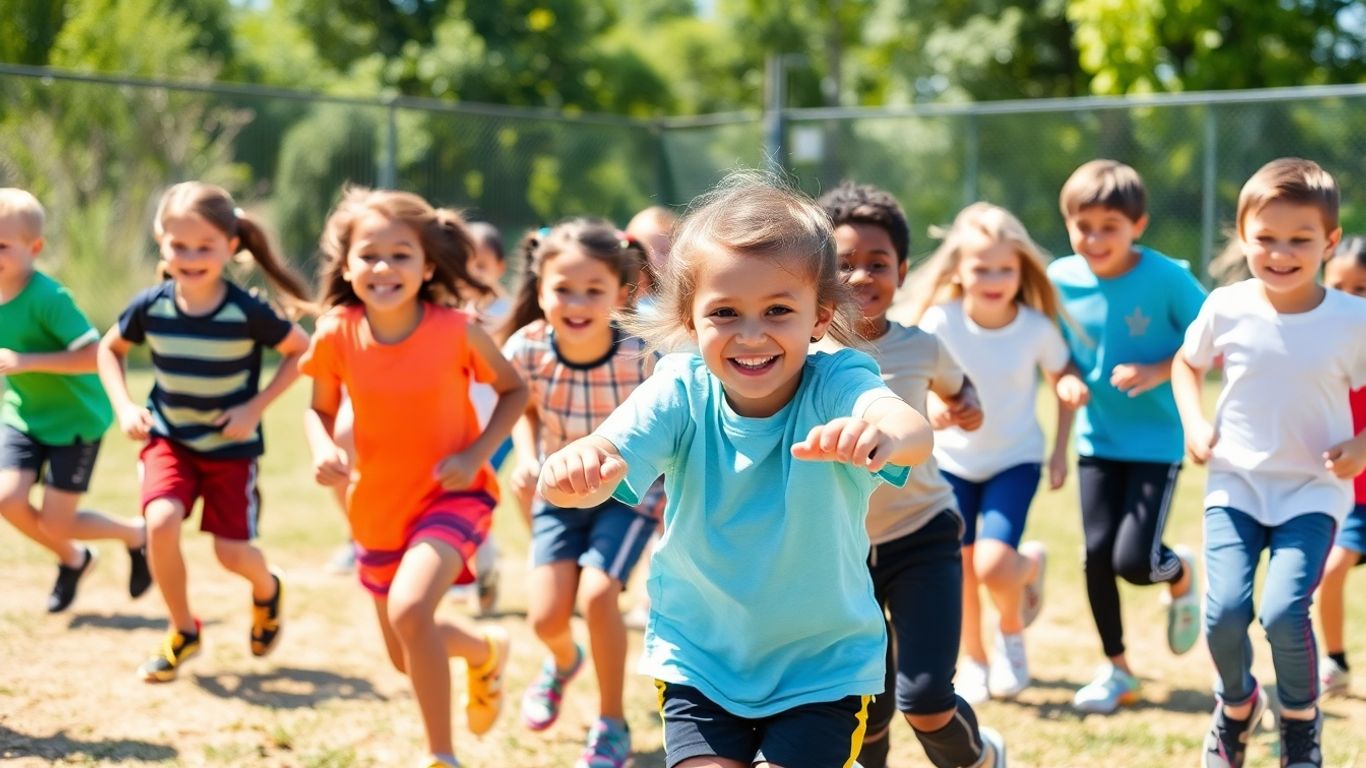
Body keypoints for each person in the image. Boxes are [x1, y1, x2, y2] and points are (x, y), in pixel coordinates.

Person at [539, 172, 933, 768]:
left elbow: (912, 432)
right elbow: (600, 458)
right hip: (701, 656)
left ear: (820, 317)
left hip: (821, 666)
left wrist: (878, 431)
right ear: (691, 321)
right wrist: (570, 468)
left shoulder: (838, 381)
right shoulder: (678, 387)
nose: (752, 335)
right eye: (725, 311)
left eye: (778, 309)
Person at [299, 187, 529, 768]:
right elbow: (317, 408)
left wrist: (476, 453)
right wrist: (323, 445)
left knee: (410, 613)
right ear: (347, 267)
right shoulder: (336, 334)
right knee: (407, 652)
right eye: (369, 254)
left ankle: (440, 755)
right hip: (375, 509)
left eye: (400, 254)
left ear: (427, 266)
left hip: (453, 496)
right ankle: (483, 650)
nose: (384, 267)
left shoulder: (457, 330)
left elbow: (513, 390)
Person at [1173, 157, 1365, 768]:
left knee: (1283, 610)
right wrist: (1196, 423)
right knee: (1226, 611)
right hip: (1236, 483)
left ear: (1330, 242)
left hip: (1313, 489)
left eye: (1300, 240)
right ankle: (1237, 705)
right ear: (1243, 235)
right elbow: (1185, 364)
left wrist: (1362, 447)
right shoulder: (1227, 306)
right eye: (1266, 239)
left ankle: (1302, 722)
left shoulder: (1351, 320)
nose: (1281, 253)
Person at [818, 182, 1005, 768]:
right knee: (864, 707)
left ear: (901, 270)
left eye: (878, 264)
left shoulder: (922, 347)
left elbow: (960, 388)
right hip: (839, 551)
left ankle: (980, 757)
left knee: (925, 701)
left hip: (923, 537)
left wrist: (962, 407)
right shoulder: (800, 355)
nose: (861, 278)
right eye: (843, 265)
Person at [96, 182, 308, 682]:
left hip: (230, 450)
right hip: (170, 439)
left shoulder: (246, 311)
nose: (190, 258)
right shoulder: (151, 306)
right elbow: (109, 351)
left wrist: (254, 408)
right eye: (179, 246)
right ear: (161, 241)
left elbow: (302, 352)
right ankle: (183, 630)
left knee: (231, 553)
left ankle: (267, 590)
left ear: (231, 247)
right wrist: (125, 406)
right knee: (160, 521)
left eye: (204, 247)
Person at [903, 201, 1089, 704]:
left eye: (1005, 268)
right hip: (952, 463)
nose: (994, 277)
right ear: (959, 270)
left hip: (1015, 461)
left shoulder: (1034, 327)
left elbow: (1063, 374)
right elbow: (916, 383)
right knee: (959, 567)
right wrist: (932, 413)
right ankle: (976, 660)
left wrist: (1060, 437)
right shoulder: (939, 322)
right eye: (981, 267)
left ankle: (1011, 633)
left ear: (1021, 270)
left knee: (990, 563)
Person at [1047, 159, 1205, 714]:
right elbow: (1054, 351)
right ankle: (1118, 671)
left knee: (1134, 562)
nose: (1093, 239)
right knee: (1095, 555)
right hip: (1097, 440)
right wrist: (1064, 379)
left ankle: (1178, 571)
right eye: (1082, 225)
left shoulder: (1166, 277)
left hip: (1157, 442)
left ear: (1137, 226)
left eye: (1108, 227)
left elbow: (1210, 338)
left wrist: (1160, 370)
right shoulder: (1058, 279)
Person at [501, 220, 655, 768]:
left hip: (629, 493)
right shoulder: (528, 348)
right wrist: (527, 458)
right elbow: (524, 407)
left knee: (596, 597)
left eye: (594, 289)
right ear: (541, 290)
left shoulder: (640, 352)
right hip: (559, 494)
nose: (578, 302)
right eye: (563, 288)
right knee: (545, 619)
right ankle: (563, 663)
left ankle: (611, 720)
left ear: (620, 292)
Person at [0, 187, 150, 613]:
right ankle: (74, 558)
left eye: (2, 245)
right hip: (24, 417)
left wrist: (25, 361)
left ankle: (135, 536)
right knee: (6, 500)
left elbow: (93, 357)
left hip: (76, 421)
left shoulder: (49, 298)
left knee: (57, 521)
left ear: (35, 247)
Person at [1317, 235, 1366, 696]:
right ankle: (1336, 661)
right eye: (1339, 287)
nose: (1349, 299)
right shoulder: (1320, 342)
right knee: (1330, 572)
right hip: (1350, 500)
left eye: (1362, 289)